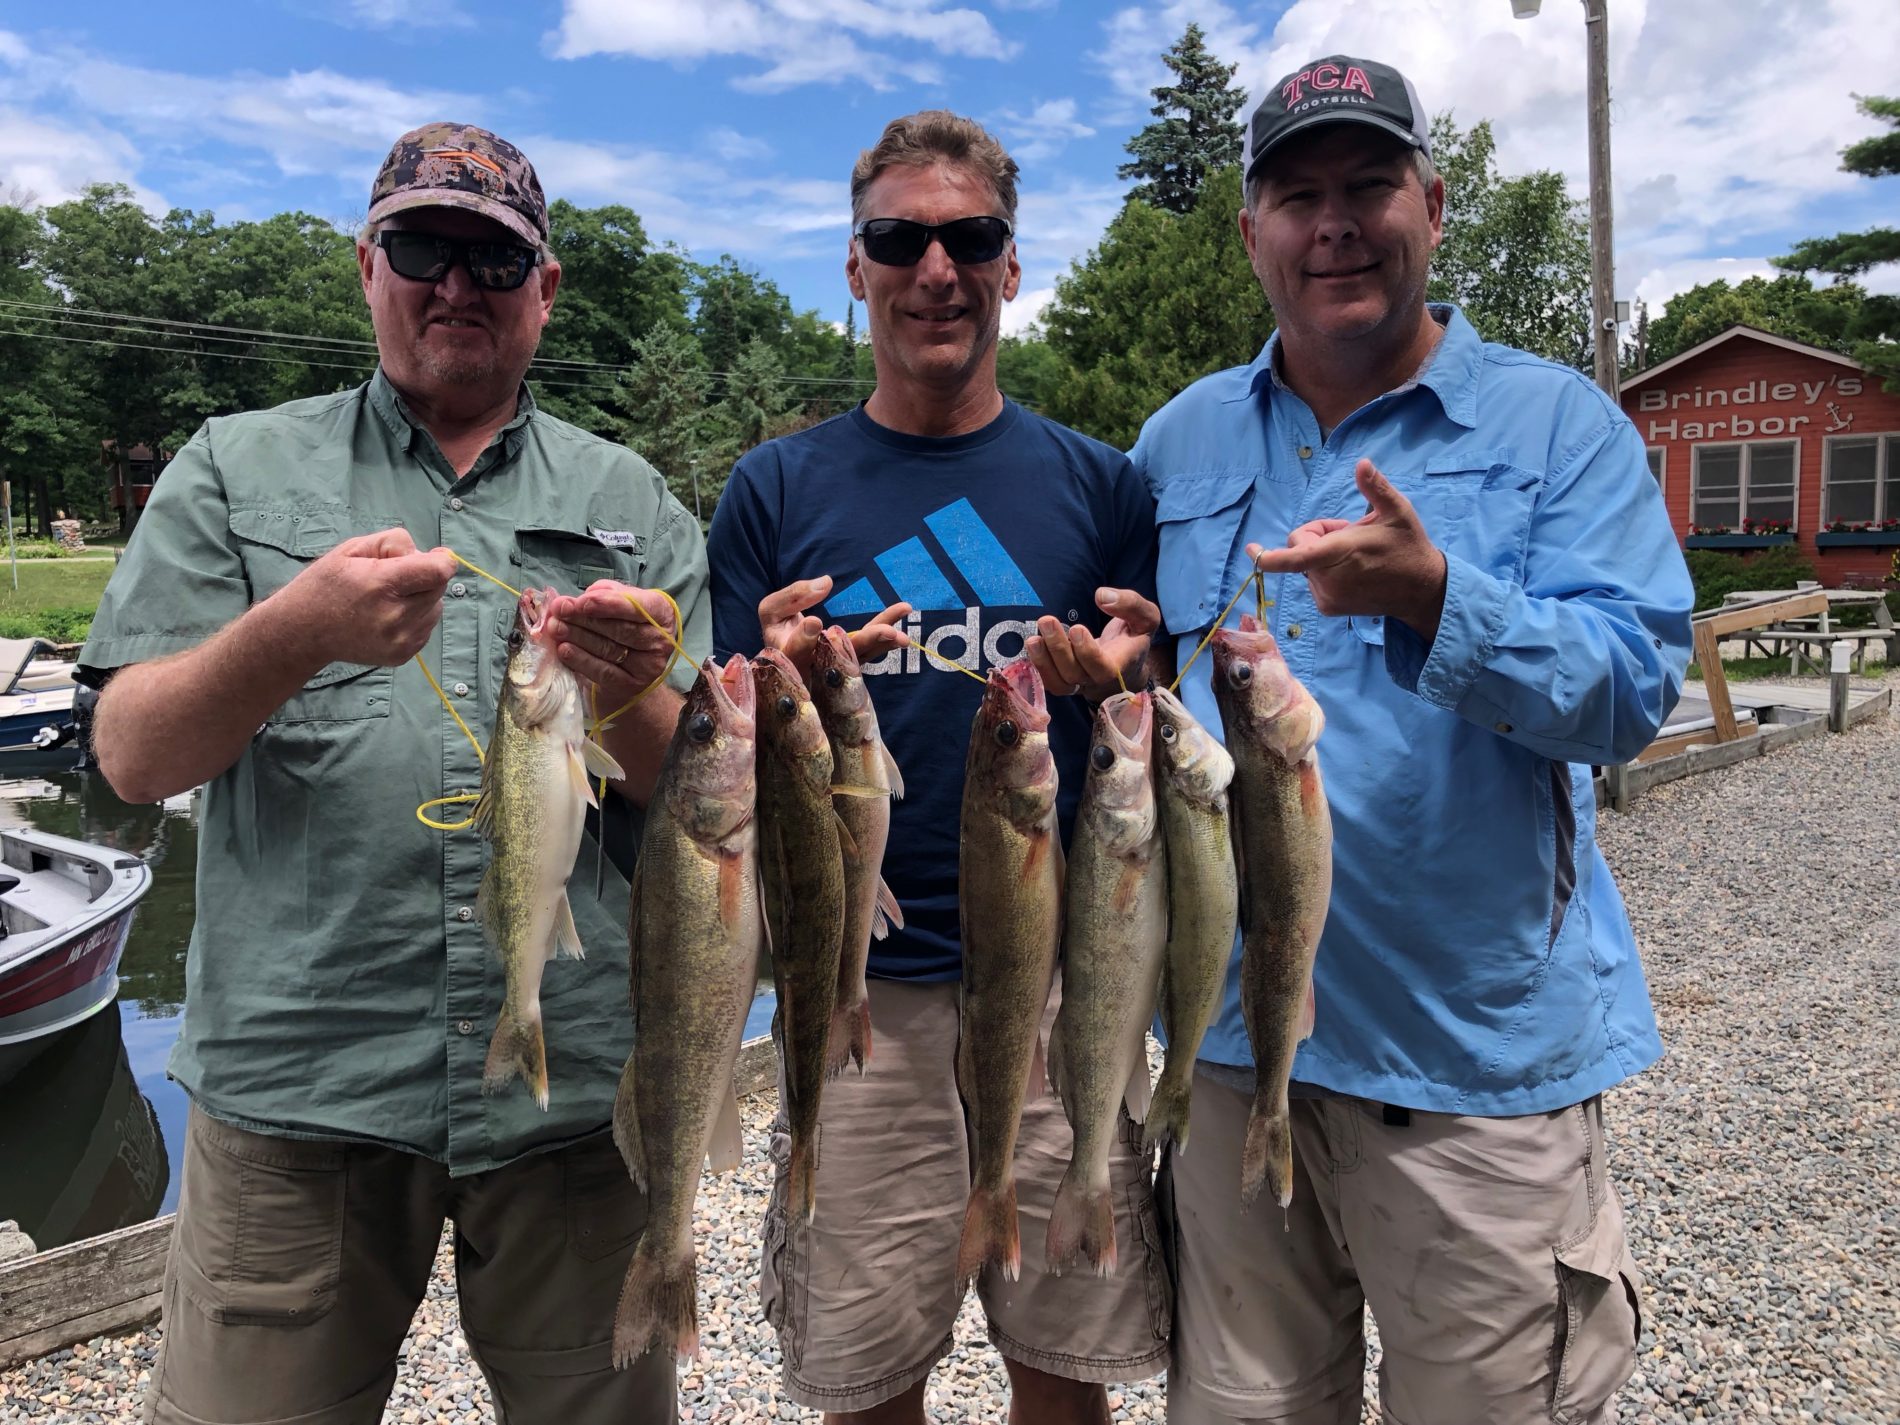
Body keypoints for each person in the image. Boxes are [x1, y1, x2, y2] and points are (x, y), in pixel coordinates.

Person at [78, 123, 709, 1425]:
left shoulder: (629, 494)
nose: (457, 283)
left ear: (544, 289)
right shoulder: (231, 466)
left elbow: (703, 799)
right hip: (298, 1088)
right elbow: (134, 755)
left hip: (577, 1107)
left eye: (495, 255)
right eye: (425, 246)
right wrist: (292, 629)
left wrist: (633, 691)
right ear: (369, 265)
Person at [1131, 55, 1693, 1425]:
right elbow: (1143, 693)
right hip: (1222, 1054)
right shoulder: (1179, 441)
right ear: (1251, 231)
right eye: (1298, 192)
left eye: (1371, 184)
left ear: (1433, 206)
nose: (1336, 222)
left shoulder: (1557, 425)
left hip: (1471, 1078)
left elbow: (1631, 689)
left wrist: (1442, 599)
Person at [707, 110, 1168, 1425]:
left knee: (1067, 1377)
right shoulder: (773, 491)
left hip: (1058, 996)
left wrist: (1140, 675)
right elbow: (720, 761)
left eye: (970, 238)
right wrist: (767, 679)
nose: (936, 270)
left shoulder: (1101, 485)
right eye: (899, 239)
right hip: (861, 1008)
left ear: (1013, 265)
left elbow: (1162, 722)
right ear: (853, 268)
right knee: (865, 1383)